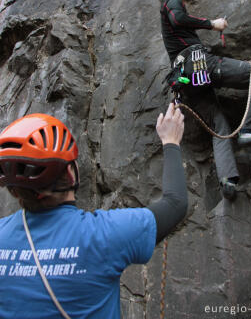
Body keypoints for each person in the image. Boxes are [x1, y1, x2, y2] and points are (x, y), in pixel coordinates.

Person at [0, 103, 187, 318]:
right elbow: (175, 203)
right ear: (71, 174)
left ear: (14, 191)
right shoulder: (103, 235)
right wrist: (171, 141)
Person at [160, 0, 251, 200]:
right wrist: (212, 24)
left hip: (186, 80)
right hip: (200, 65)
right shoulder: (171, 4)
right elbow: (178, 17)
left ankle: (227, 179)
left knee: (219, 125)